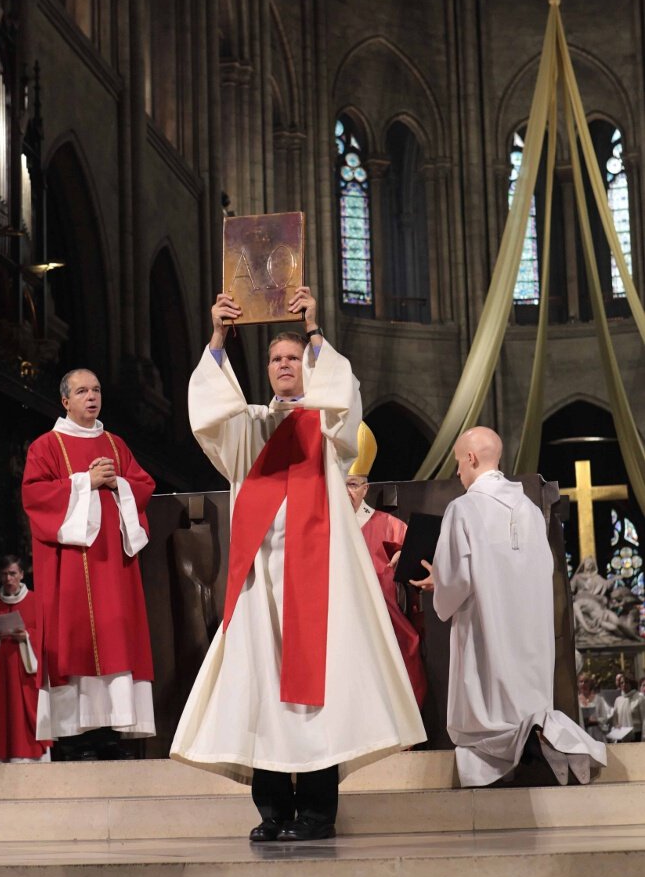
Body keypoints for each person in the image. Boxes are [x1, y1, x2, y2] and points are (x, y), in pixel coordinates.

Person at [171, 288, 426, 842]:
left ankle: (315, 812)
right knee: (261, 687)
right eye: (276, 359)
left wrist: (313, 329)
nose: (285, 365)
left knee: (318, 695)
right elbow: (210, 414)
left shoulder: (329, 432)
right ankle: (272, 812)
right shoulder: (249, 428)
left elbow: (344, 397)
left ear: (307, 368)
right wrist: (217, 337)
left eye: (294, 359)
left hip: (318, 585)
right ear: (264, 370)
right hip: (260, 584)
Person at [412, 426, 606, 787]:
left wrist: (438, 583)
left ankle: (499, 767)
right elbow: (543, 568)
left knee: (486, 709)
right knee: (526, 704)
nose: (458, 472)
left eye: (458, 463)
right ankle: (541, 743)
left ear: (470, 458)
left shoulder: (464, 508)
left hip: (487, 630)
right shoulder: (531, 509)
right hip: (530, 633)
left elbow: (456, 580)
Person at [22, 368, 156, 749]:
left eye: (96, 389)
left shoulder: (116, 444)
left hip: (114, 567)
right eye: (82, 391)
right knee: (74, 638)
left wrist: (118, 484)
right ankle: (74, 734)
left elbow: (143, 485)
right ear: (65, 401)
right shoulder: (46, 446)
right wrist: (85, 483)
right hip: (70, 568)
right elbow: (35, 497)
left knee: (117, 634)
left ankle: (117, 729)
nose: (91, 396)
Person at [345, 422, 427, 708]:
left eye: (352, 484)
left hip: (385, 628)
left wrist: (409, 562)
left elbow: (424, 569)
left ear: (365, 488)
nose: (346, 491)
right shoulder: (319, 530)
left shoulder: (389, 526)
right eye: (339, 483)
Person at [0, 554, 51, 763]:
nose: (8, 579)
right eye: (4, 574)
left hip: (26, 675)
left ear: (22, 575)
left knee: (27, 715)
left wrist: (27, 636)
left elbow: (48, 636)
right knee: (1, 716)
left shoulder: (36, 602)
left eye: (13, 574)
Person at [606, 674, 645, 742]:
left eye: (626, 682)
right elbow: (615, 719)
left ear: (631, 683)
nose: (624, 684)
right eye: (621, 683)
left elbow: (644, 719)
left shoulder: (640, 698)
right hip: (623, 735)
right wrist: (617, 725)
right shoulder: (618, 700)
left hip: (637, 735)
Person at [577, 673, 609, 743]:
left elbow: (605, 717)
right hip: (582, 733)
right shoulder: (576, 700)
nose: (583, 684)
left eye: (586, 681)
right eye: (581, 681)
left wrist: (596, 720)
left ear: (590, 683)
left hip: (597, 733)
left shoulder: (598, 699)